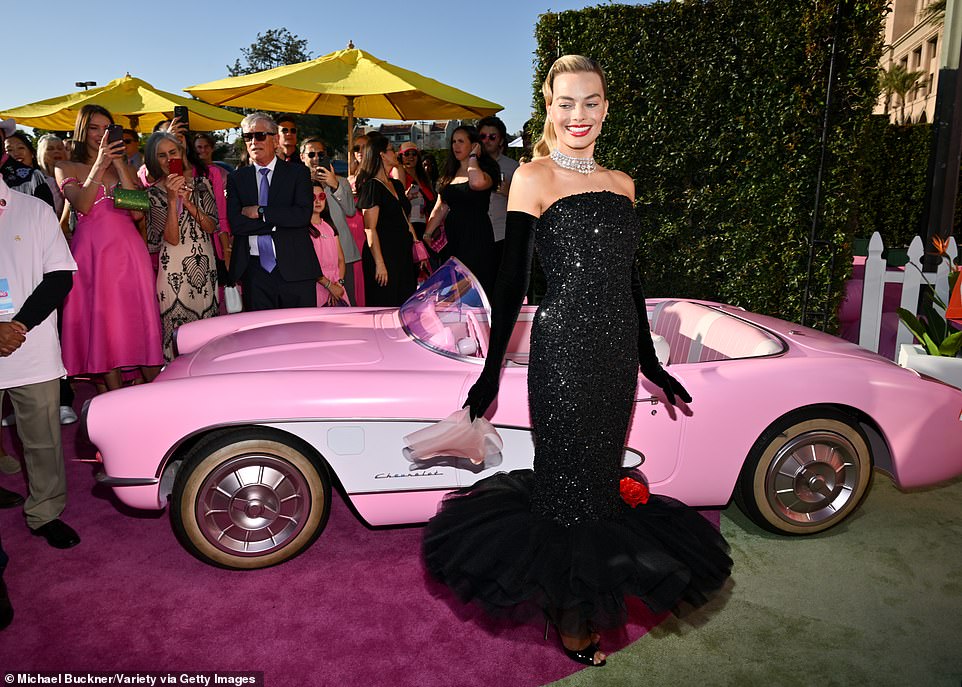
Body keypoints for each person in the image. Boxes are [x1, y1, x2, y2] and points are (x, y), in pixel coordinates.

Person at [422, 55, 732, 667]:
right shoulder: (532, 178)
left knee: (598, 485)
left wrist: (650, 362)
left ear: (606, 108)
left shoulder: (624, 184)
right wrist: (489, 374)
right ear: (549, 108)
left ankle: (584, 597)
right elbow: (512, 286)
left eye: (590, 102)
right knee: (566, 489)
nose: (578, 115)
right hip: (562, 352)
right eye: (566, 103)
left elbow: (630, 283)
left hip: (615, 355)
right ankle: (571, 618)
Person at [55, 104, 164, 391]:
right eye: (94, 128)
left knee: (137, 323)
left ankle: (157, 398)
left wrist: (117, 165)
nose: (101, 134)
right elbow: (83, 204)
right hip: (93, 257)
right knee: (104, 326)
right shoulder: (65, 167)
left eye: (107, 128)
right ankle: (117, 403)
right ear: (82, 131)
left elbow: (138, 213)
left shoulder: (124, 167)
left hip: (129, 254)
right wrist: (100, 164)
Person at [0, 174, 80, 550]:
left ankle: (45, 512)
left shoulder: (34, 209)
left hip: (28, 346)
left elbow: (60, 276)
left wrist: (17, 325)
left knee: (42, 441)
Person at [226, 112, 319, 310]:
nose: (253, 141)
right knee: (261, 338)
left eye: (259, 136)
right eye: (248, 137)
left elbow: (301, 216)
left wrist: (261, 211)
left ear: (275, 140)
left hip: (296, 270)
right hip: (254, 273)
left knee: (301, 334)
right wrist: (281, 222)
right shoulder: (237, 178)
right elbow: (237, 224)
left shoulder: (298, 173)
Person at [144, 132, 219, 361]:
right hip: (173, 271)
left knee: (208, 336)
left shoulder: (202, 183)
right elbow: (171, 239)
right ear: (154, 160)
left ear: (181, 153)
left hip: (205, 267)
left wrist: (187, 201)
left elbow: (211, 226)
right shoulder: (152, 194)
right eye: (162, 155)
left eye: (173, 153)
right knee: (177, 338)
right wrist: (172, 199)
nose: (168, 160)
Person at [423, 125, 500, 296]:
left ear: (474, 144)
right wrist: (427, 233)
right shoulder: (449, 171)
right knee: (453, 285)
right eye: (453, 142)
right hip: (453, 235)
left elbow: (476, 183)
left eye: (461, 141)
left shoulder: (487, 169)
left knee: (474, 285)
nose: (455, 146)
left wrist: (473, 157)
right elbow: (441, 205)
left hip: (476, 234)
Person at [355, 132, 419, 306]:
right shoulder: (372, 187)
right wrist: (380, 263)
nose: (396, 153)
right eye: (391, 150)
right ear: (381, 155)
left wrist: (417, 245)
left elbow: (404, 219)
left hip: (403, 254)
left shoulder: (397, 184)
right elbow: (369, 228)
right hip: (383, 254)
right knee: (385, 305)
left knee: (405, 304)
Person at [301, 137, 361, 304]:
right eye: (311, 154)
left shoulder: (340, 181)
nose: (316, 158)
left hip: (342, 255)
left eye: (321, 154)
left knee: (346, 303)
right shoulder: (298, 183)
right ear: (302, 157)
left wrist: (334, 185)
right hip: (313, 257)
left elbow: (350, 210)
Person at [477, 116, 519, 268]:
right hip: (475, 236)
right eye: (483, 136)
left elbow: (525, 205)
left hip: (502, 236)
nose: (487, 140)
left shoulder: (513, 167)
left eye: (492, 137)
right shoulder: (470, 165)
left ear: (501, 141)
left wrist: (509, 192)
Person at [309, 182, 349, 306]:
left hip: (337, 285)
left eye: (321, 196)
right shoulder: (303, 230)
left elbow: (341, 260)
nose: (317, 201)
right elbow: (308, 265)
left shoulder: (329, 227)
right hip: (316, 287)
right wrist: (329, 285)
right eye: (312, 197)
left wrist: (338, 284)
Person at [0, 121, 53, 207]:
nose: (16, 153)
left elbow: (47, 215)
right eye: (9, 150)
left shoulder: (33, 177)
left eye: (21, 148)